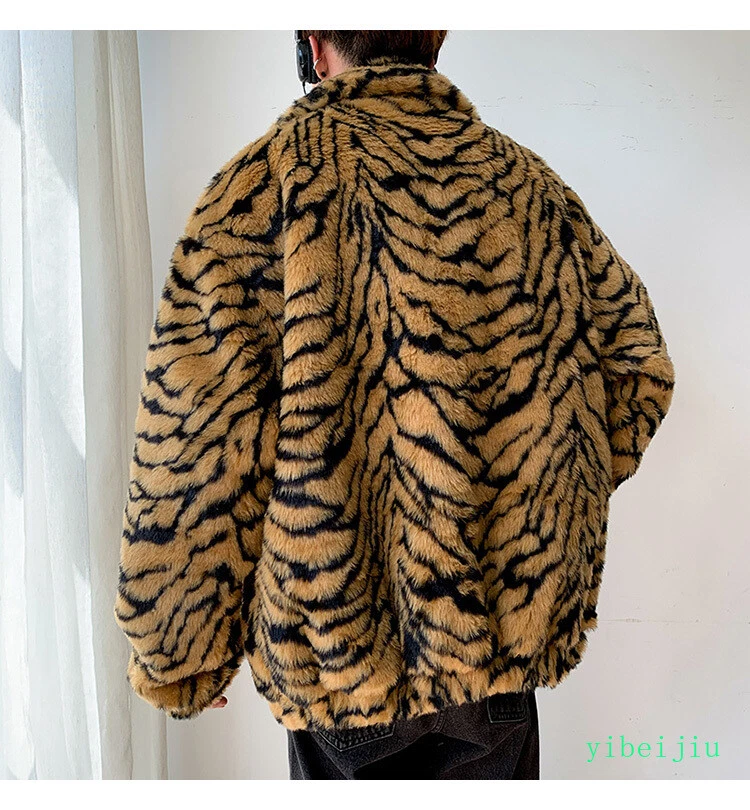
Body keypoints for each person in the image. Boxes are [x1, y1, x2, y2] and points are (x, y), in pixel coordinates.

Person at [113, 30, 676, 780]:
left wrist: (180, 648)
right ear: (436, 37)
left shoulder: (261, 188)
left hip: (341, 660)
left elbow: (196, 438)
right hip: (495, 663)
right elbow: (637, 369)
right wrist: (537, 508)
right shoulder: (528, 187)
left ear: (315, 47)